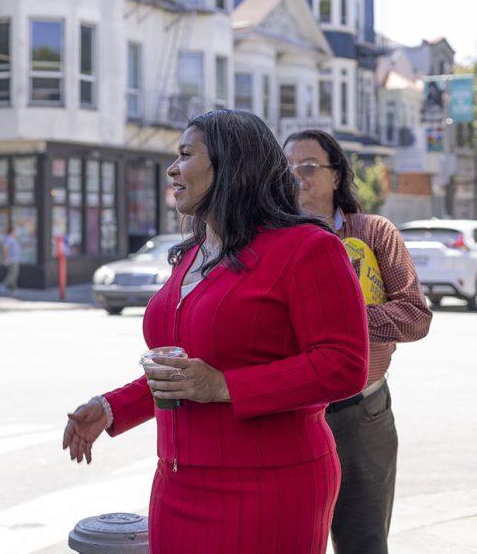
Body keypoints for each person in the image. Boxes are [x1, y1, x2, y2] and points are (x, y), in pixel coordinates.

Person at [62, 109, 369, 554]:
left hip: (272, 486)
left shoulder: (309, 248)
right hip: (176, 484)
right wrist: (111, 407)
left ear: (230, 165)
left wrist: (225, 386)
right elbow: (185, 370)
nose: (172, 168)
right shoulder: (191, 254)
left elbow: (343, 366)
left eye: (186, 155)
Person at [284, 129, 432, 554]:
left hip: (361, 412)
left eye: (309, 167)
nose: (297, 178)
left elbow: (415, 317)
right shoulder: (270, 241)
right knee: (288, 537)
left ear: (336, 176)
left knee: (363, 542)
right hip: (289, 414)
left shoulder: (374, 233)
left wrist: (344, 321)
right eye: (288, 169)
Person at [0, 226, 20, 294]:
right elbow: (5, 249)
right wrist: (7, 258)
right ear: (12, 231)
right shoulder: (8, 239)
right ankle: (4, 285)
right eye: (15, 231)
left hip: (15, 259)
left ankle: (13, 290)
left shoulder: (13, 239)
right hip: (12, 260)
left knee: (14, 274)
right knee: (13, 274)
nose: (16, 233)